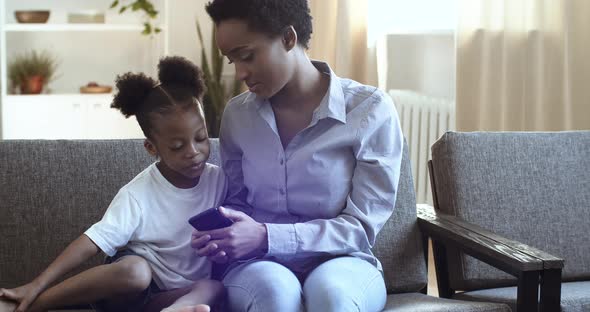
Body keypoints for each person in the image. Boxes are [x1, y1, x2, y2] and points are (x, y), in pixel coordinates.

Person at [191, 0, 404, 311]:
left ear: (288, 39)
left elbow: (361, 228)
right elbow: (236, 200)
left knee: (334, 297)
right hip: (258, 264)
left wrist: (267, 236)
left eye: (247, 56)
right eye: (232, 60)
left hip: (343, 259)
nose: (240, 73)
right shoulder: (238, 115)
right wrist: (224, 236)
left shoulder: (369, 110)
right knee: (274, 295)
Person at [0, 56, 226, 312]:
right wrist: (36, 284)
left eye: (201, 138)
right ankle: (33, 305)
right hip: (131, 293)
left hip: (171, 296)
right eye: (177, 146)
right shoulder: (138, 194)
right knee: (136, 271)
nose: (194, 152)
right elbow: (93, 241)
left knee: (213, 287)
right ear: (152, 148)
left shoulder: (218, 180)